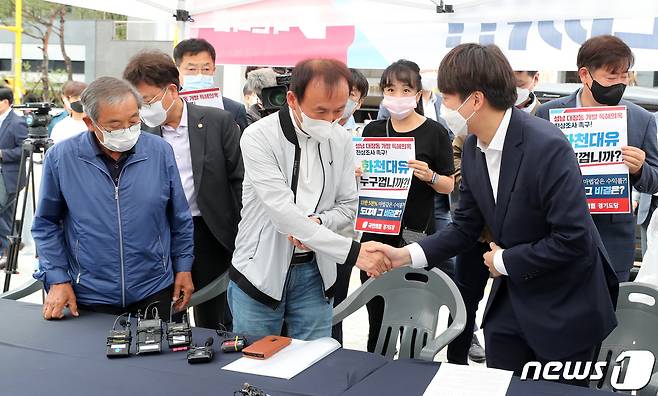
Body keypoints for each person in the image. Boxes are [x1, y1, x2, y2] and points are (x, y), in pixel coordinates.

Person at [370, 43, 618, 386]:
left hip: (566, 306)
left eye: (449, 97)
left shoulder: (547, 146)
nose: (446, 106)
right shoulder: (473, 148)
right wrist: (405, 255)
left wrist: (503, 262)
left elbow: (573, 239)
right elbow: (465, 227)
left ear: (475, 100)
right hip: (511, 307)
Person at [229, 59, 391, 341]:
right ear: (292, 99)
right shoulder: (258, 137)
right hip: (260, 272)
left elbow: (348, 207)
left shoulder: (340, 139)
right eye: (320, 111)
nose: (330, 119)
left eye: (339, 110)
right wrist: (354, 254)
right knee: (253, 369)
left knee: (314, 367)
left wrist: (319, 222)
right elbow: (282, 213)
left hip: (315, 275)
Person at [32, 76, 195, 320]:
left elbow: (179, 217)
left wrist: (183, 267)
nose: (127, 130)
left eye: (133, 121)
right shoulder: (62, 158)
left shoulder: (159, 152)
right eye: (115, 125)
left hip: (154, 289)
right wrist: (57, 278)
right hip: (89, 295)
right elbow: (45, 224)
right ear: (90, 122)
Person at [123, 51, 243, 330]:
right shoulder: (139, 133)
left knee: (214, 318)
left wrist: (240, 234)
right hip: (162, 235)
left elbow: (239, 180)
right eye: (137, 103)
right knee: (167, 313)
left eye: (148, 100)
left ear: (172, 90)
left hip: (210, 233)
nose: (143, 109)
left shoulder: (218, 122)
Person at [536, 35, 658, 282]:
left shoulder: (641, 119)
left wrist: (639, 170)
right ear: (584, 75)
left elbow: (656, 180)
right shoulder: (548, 113)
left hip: (612, 242)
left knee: (608, 316)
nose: (620, 83)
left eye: (624, 76)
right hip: (554, 237)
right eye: (611, 77)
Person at [359, 59, 455, 353]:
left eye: (405, 89)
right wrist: (358, 173)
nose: (397, 96)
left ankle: (412, 373)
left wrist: (431, 176)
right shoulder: (373, 130)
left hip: (416, 234)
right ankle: (374, 371)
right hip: (376, 229)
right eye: (390, 89)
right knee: (377, 314)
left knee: (414, 316)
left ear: (417, 94)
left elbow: (449, 185)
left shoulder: (435, 132)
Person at [331, 67, 370, 344]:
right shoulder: (317, 129)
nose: (344, 101)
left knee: (337, 305)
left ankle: (335, 349)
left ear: (359, 101)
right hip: (314, 228)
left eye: (351, 95)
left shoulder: (367, 135)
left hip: (347, 233)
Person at [173, 38, 248, 132]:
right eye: (192, 69)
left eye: (206, 69)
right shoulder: (170, 107)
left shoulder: (234, 109)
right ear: (177, 71)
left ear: (213, 70)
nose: (199, 75)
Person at [0, 86, 27, 269]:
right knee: (6, 215)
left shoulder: (17, 122)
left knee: (1, 212)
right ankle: (11, 250)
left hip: (10, 178)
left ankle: (6, 249)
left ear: (4, 102)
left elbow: (25, 149)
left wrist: (3, 154)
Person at [337, 68, 369, 134]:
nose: (343, 98)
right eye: (339, 91)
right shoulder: (313, 129)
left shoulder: (361, 135)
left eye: (351, 94)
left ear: (359, 103)